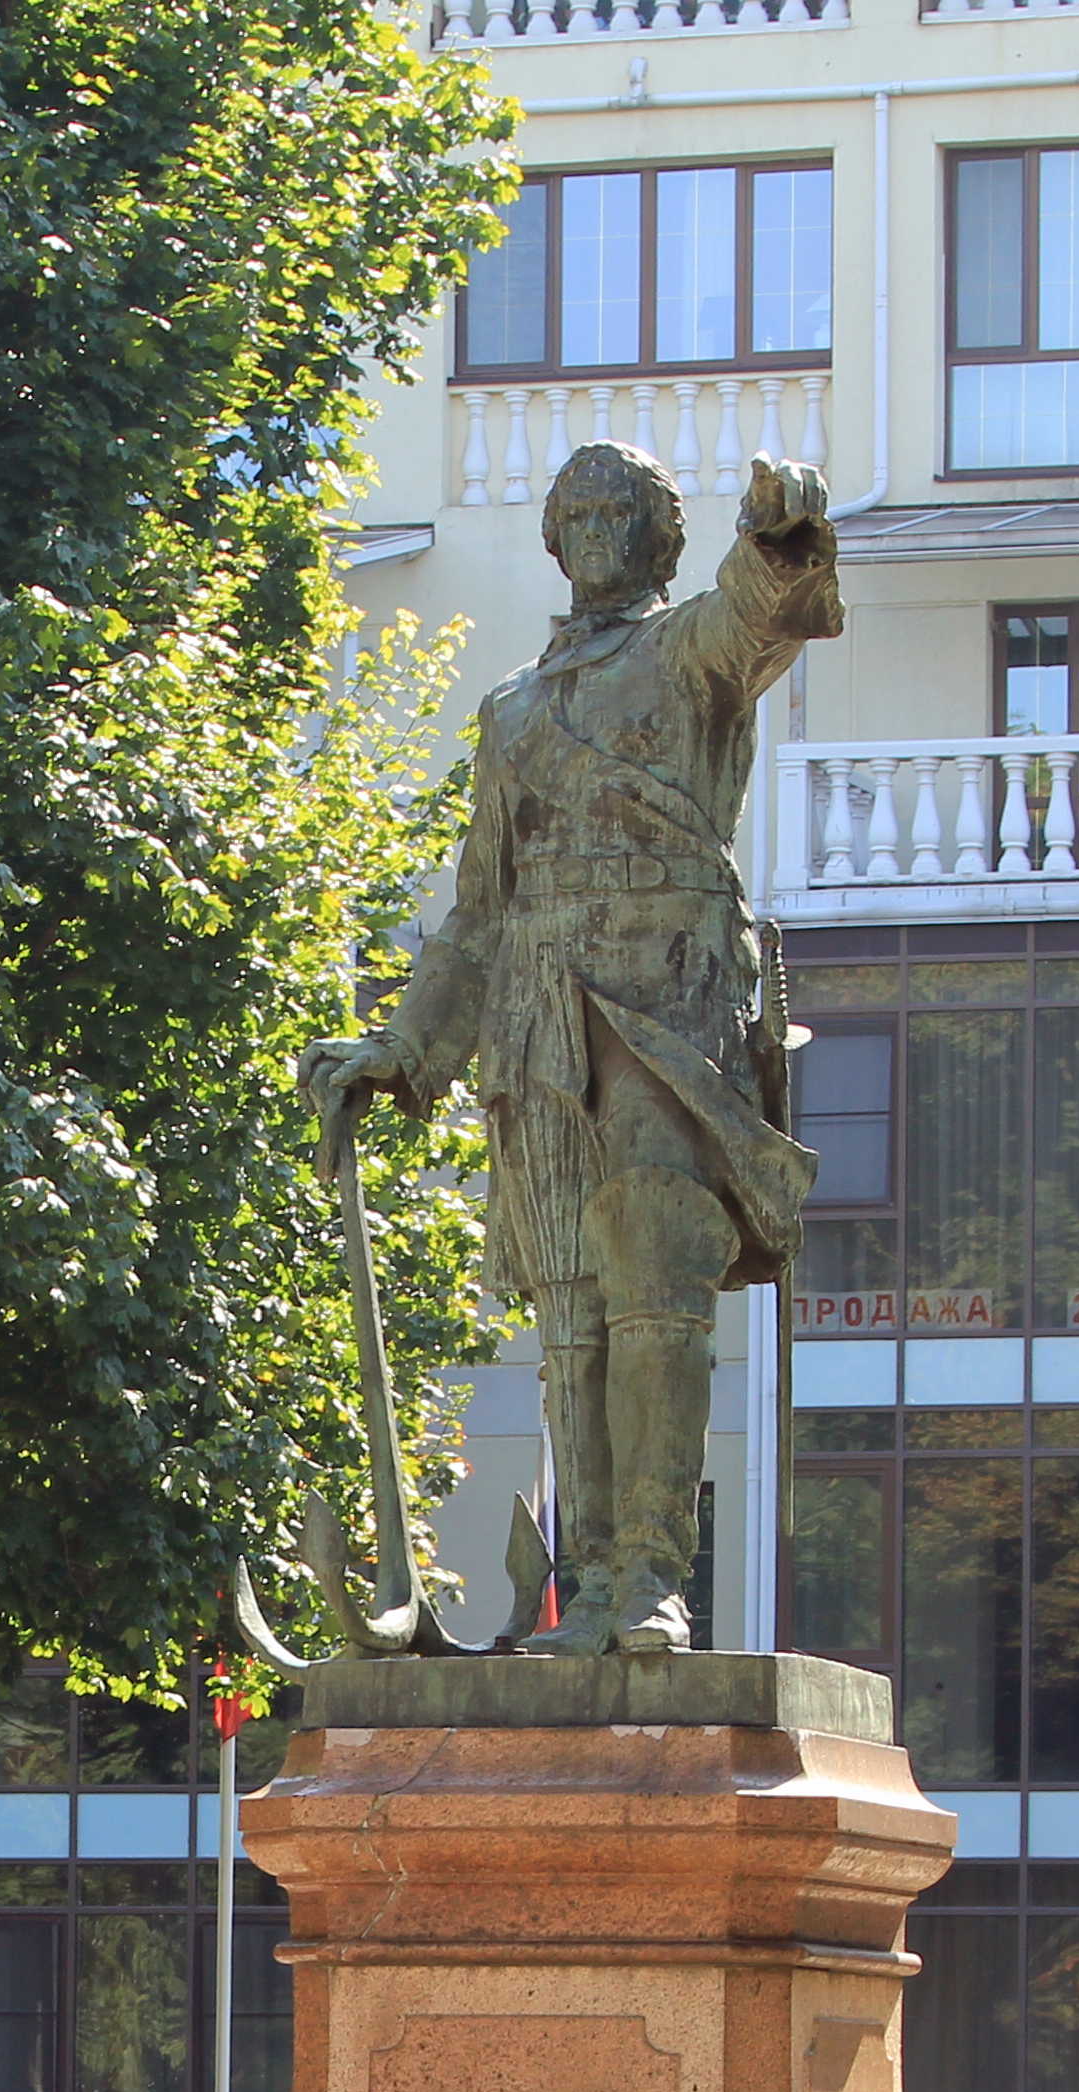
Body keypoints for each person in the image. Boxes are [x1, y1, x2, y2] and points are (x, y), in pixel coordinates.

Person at [314, 441, 844, 1654]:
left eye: (627, 510)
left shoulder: (688, 655)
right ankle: (592, 1579)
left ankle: (651, 1576)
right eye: (581, 510)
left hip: (667, 1012)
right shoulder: (512, 713)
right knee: (570, 1318)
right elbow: (480, 913)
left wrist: (777, 534)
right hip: (536, 1025)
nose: (602, 526)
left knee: (657, 1275)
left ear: (663, 538)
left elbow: (761, 616)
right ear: (553, 538)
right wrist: (399, 1045)